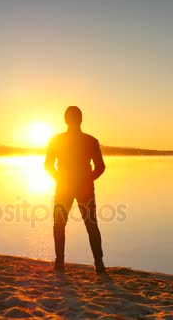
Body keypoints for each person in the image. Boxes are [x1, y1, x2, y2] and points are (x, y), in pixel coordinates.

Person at [44, 106, 106, 273]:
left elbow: (48, 165)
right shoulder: (90, 140)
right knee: (89, 224)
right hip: (76, 187)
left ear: (66, 120)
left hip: (69, 186)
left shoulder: (58, 140)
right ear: (81, 120)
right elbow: (100, 168)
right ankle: (98, 264)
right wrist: (86, 179)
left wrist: (61, 178)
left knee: (61, 224)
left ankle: (60, 263)